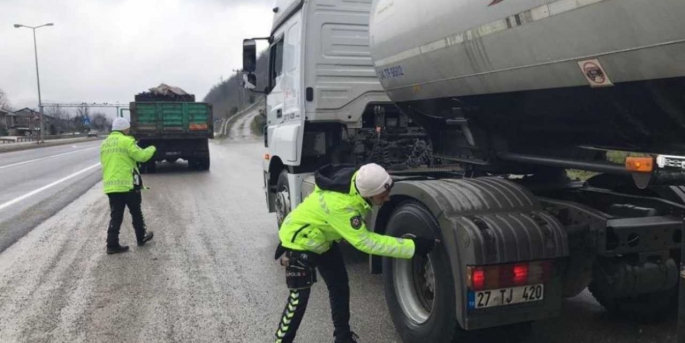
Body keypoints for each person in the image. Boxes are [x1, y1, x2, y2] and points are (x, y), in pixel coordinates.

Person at [273, 163, 436, 343]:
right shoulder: (342, 207)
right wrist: (412, 246)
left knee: (340, 285)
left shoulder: (356, 182)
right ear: (369, 194)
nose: (388, 198)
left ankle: (342, 337)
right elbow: (367, 242)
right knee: (299, 300)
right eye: (383, 195)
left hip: (321, 240)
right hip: (299, 242)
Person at [100, 117, 157, 255]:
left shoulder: (105, 143)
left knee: (116, 215)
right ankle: (141, 237)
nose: (129, 130)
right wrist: (152, 148)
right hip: (128, 185)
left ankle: (112, 244)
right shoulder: (127, 141)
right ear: (125, 128)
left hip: (111, 186)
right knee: (136, 212)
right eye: (128, 128)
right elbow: (141, 156)